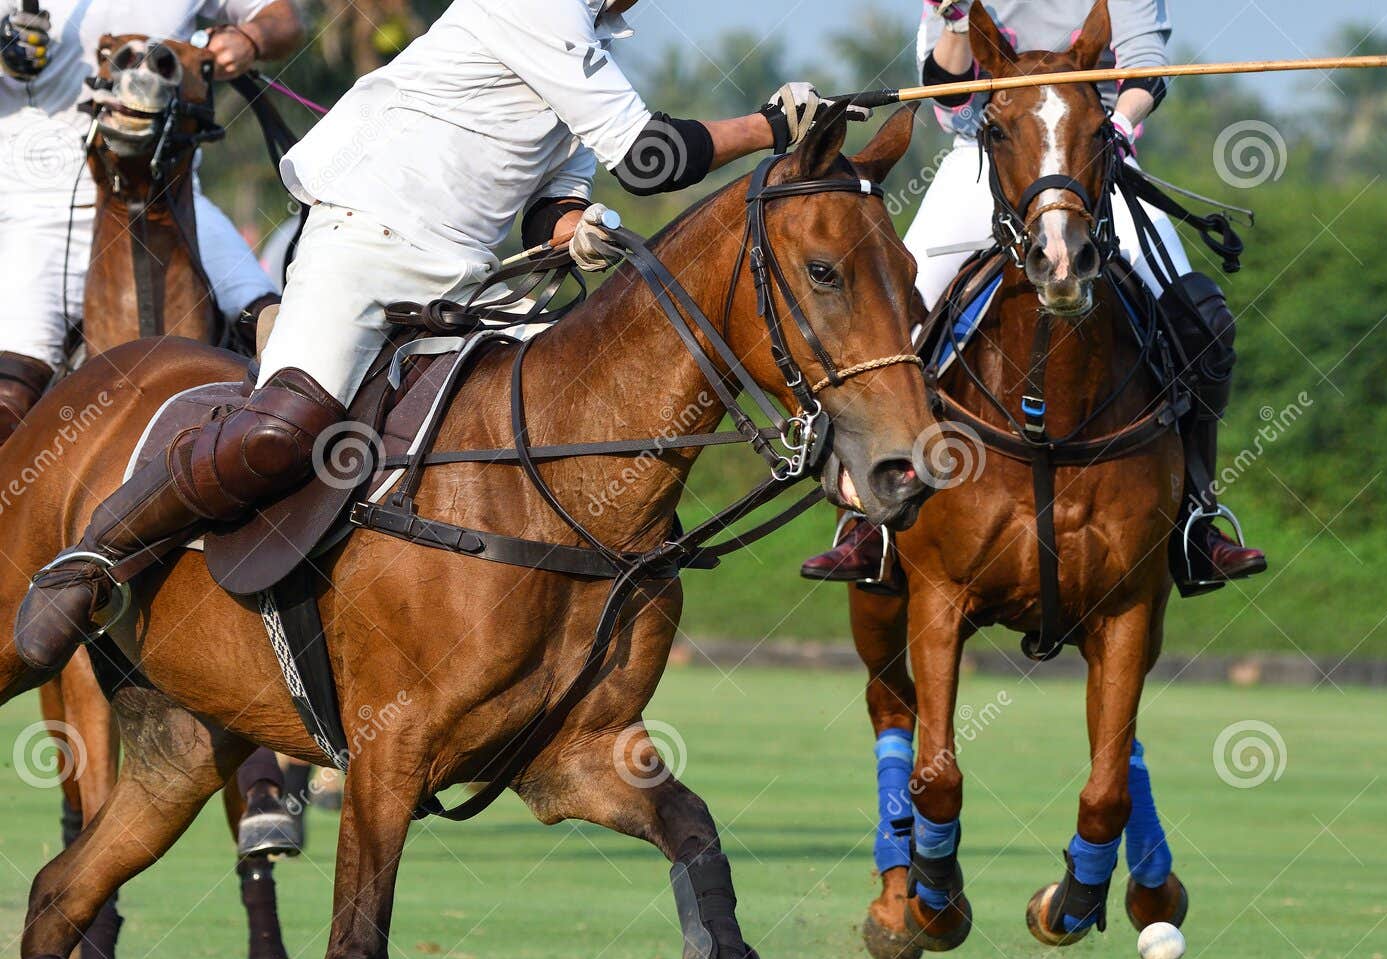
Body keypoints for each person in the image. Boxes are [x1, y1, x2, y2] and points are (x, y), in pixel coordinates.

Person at [16, 0, 845, 671]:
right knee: (283, 429)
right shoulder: (537, 6)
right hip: (362, 245)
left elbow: (552, 203)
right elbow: (653, 158)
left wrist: (576, 230)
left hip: (466, 281)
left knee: (578, 416)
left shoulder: (590, 54)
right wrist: (774, 128)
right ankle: (92, 556)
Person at [799, 0, 1267, 593]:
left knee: (1200, 322)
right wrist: (955, 19)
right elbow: (948, 96)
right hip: (986, 161)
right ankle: (867, 520)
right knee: (891, 321)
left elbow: (1145, 67)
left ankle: (1196, 520)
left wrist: (1114, 128)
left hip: (1090, 158)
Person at [0, 2, 301, 439]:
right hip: (38, 214)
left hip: (173, 205)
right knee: (8, 399)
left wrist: (251, 39)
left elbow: (282, 16)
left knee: (280, 334)